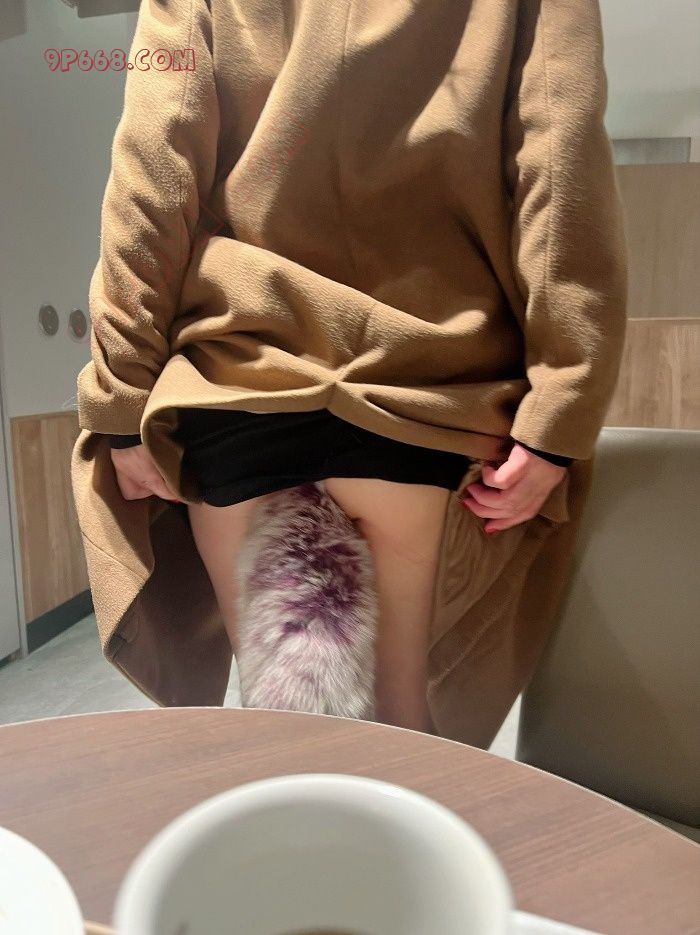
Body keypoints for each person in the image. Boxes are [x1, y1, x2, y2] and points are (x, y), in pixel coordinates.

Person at [73, 0, 627, 740]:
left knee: (286, 743)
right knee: (404, 740)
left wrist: (122, 399)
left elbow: (152, 170)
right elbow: (560, 163)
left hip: (237, 393)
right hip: (424, 393)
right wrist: (561, 404)